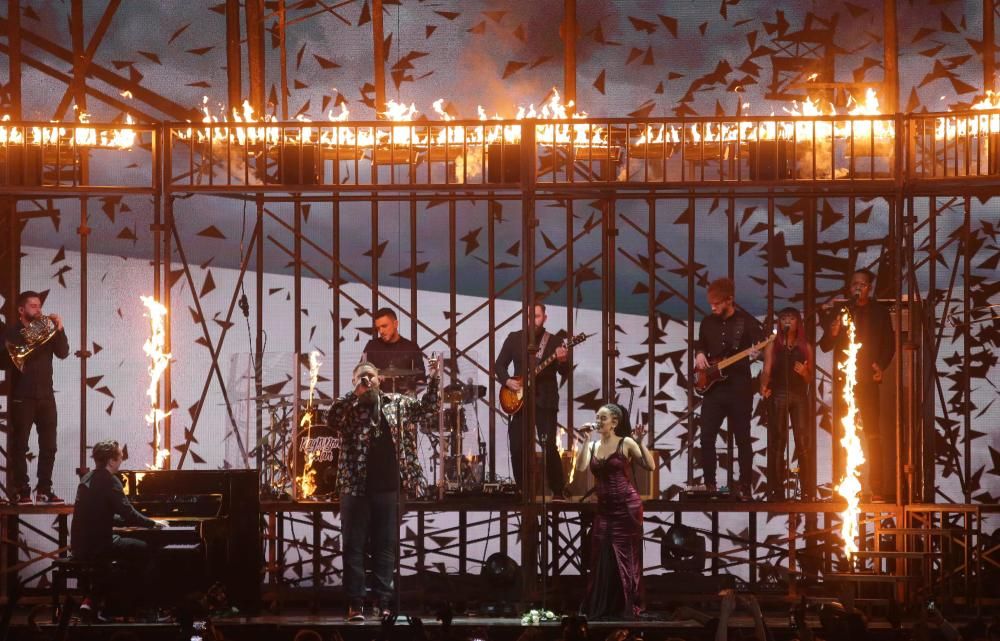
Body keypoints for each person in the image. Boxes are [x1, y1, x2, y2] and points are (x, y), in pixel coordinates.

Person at [327, 360, 439, 621]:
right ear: (354, 382)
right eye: (361, 378)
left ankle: (383, 602)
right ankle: (355, 604)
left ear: (380, 379)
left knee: (385, 547)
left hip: (388, 487)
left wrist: (433, 377)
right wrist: (354, 395)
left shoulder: (396, 403)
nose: (367, 381)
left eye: (371, 376)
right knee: (353, 547)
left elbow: (427, 408)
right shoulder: (349, 408)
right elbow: (330, 419)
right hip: (355, 487)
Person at [820, 269, 896, 501]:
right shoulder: (841, 311)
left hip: (866, 379)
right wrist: (832, 333)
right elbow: (824, 345)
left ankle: (877, 487)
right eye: (854, 284)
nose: (857, 288)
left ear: (869, 287)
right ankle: (844, 485)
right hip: (845, 381)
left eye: (862, 284)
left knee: (872, 433)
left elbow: (889, 344)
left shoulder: (880, 313)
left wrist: (880, 366)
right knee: (844, 431)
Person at [70, 440, 168, 615]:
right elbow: (129, 513)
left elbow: (99, 513)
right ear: (111, 461)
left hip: (80, 546)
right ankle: (142, 607)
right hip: (99, 547)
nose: (122, 460)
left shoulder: (87, 478)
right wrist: (153, 523)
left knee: (125, 554)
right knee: (147, 550)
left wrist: (123, 521)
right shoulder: (110, 481)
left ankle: (98, 598)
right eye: (120, 457)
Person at [577, 404, 655, 620]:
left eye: (603, 418)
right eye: (597, 417)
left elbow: (650, 466)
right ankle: (604, 604)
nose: (598, 421)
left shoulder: (625, 442)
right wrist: (584, 440)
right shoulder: (592, 445)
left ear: (615, 422)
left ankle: (628, 604)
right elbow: (582, 467)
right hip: (604, 509)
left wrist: (640, 441)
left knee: (626, 555)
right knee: (600, 551)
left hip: (626, 507)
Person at [693, 278, 764, 498]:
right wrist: (699, 353)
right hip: (713, 391)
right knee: (706, 438)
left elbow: (761, 345)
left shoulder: (747, 323)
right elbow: (701, 343)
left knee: (742, 438)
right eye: (710, 303)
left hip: (739, 389)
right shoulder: (707, 322)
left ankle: (744, 487)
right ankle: (710, 485)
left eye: (716, 303)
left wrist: (757, 352)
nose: (712, 307)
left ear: (729, 300)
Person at [494, 303, 569, 498]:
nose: (532, 320)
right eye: (529, 316)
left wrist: (562, 361)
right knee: (517, 446)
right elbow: (499, 365)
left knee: (549, 446)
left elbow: (564, 372)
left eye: (536, 316)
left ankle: (558, 490)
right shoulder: (514, 338)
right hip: (519, 401)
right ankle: (522, 489)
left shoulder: (555, 341)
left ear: (544, 317)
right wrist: (508, 381)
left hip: (545, 401)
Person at [4, 290, 70, 504]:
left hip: (46, 397)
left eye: (39, 305)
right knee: (20, 446)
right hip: (22, 396)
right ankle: (22, 490)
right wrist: (30, 339)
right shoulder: (11, 333)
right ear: (21, 310)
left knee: (49, 446)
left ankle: (44, 489)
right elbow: (5, 359)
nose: (38, 309)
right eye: (33, 305)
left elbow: (63, 352)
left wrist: (59, 329)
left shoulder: (48, 330)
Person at [760, 307, 814, 501]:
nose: (787, 322)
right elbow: (766, 370)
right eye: (783, 318)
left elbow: (810, 379)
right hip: (779, 394)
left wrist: (804, 372)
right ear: (779, 323)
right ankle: (777, 489)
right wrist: (763, 385)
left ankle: (807, 488)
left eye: (791, 318)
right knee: (778, 442)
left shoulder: (805, 347)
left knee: (803, 442)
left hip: (799, 396)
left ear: (797, 322)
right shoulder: (772, 345)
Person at [361, 307, 426, 393]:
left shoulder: (411, 347)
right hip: (377, 401)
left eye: (384, 326)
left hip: (404, 401)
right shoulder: (371, 346)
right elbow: (360, 373)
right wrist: (372, 377)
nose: (381, 331)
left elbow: (421, 379)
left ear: (395, 324)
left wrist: (412, 391)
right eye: (378, 328)